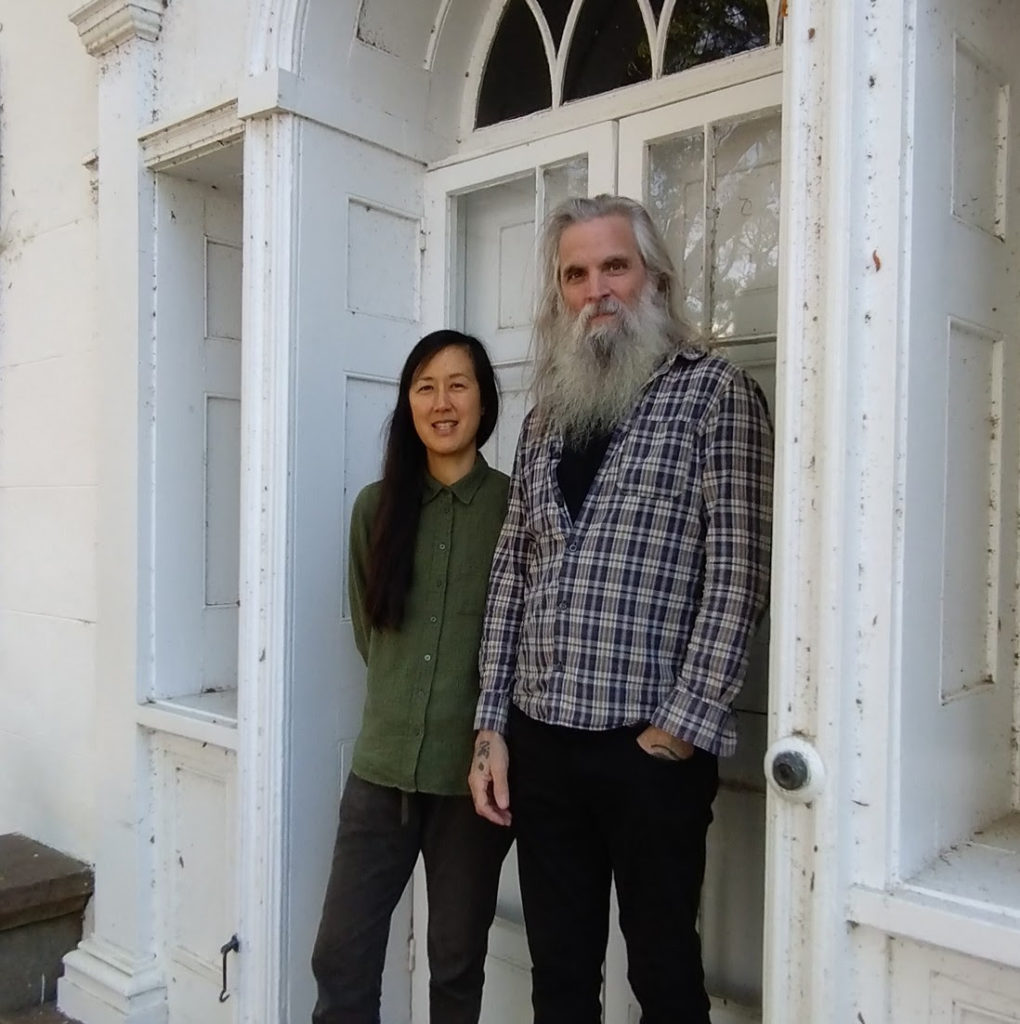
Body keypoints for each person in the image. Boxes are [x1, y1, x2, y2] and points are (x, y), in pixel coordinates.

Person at [468, 195, 773, 1024]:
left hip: (650, 751)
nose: (595, 288)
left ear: (655, 278)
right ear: (558, 294)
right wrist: (492, 727)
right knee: (560, 978)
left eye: (614, 266)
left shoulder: (715, 397)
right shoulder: (542, 422)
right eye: (576, 273)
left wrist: (683, 724)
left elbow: (739, 573)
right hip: (542, 741)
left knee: (664, 977)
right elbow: (511, 578)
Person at [312, 330, 513, 1024]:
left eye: (458, 384)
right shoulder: (378, 508)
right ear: (407, 403)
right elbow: (373, 634)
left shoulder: (515, 510)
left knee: (456, 965)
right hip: (380, 776)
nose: (441, 401)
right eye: (424, 386)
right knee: (341, 957)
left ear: (485, 401)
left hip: (471, 788)